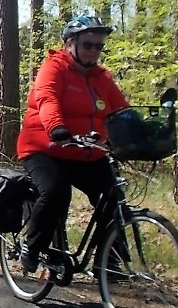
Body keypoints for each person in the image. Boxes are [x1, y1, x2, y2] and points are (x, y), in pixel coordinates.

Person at [16, 15, 128, 273]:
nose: (94, 51)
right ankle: (32, 246)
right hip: (44, 147)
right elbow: (47, 99)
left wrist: (139, 133)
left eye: (99, 46)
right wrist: (57, 127)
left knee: (113, 195)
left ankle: (108, 263)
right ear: (70, 43)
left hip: (85, 151)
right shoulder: (54, 68)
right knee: (56, 191)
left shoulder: (102, 77)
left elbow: (121, 111)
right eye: (88, 44)